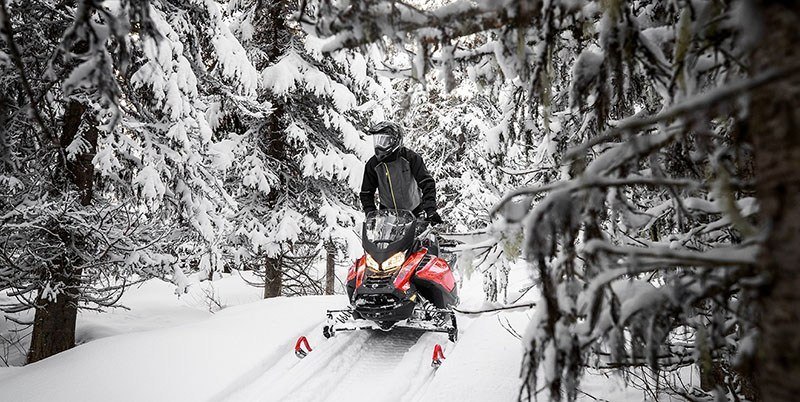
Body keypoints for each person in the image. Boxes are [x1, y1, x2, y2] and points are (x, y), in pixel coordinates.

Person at [359, 122, 443, 225]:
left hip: (415, 213)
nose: (379, 147)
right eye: (377, 141)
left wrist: (430, 210)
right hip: (388, 218)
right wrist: (371, 214)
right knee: (383, 241)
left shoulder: (411, 158)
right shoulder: (373, 165)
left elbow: (427, 183)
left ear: (395, 141)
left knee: (420, 240)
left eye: (384, 142)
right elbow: (366, 193)